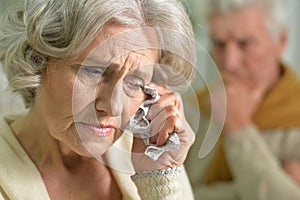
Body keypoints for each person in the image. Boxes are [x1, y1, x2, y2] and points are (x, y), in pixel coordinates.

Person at [0, 0, 197, 199]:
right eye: (94, 71)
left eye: (136, 82)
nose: (114, 108)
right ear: (36, 60)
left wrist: (159, 182)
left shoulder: (152, 153)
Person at [185, 0, 300, 199]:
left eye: (245, 43)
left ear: (281, 41)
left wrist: (237, 126)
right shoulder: (189, 109)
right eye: (219, 44)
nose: (230, 63)